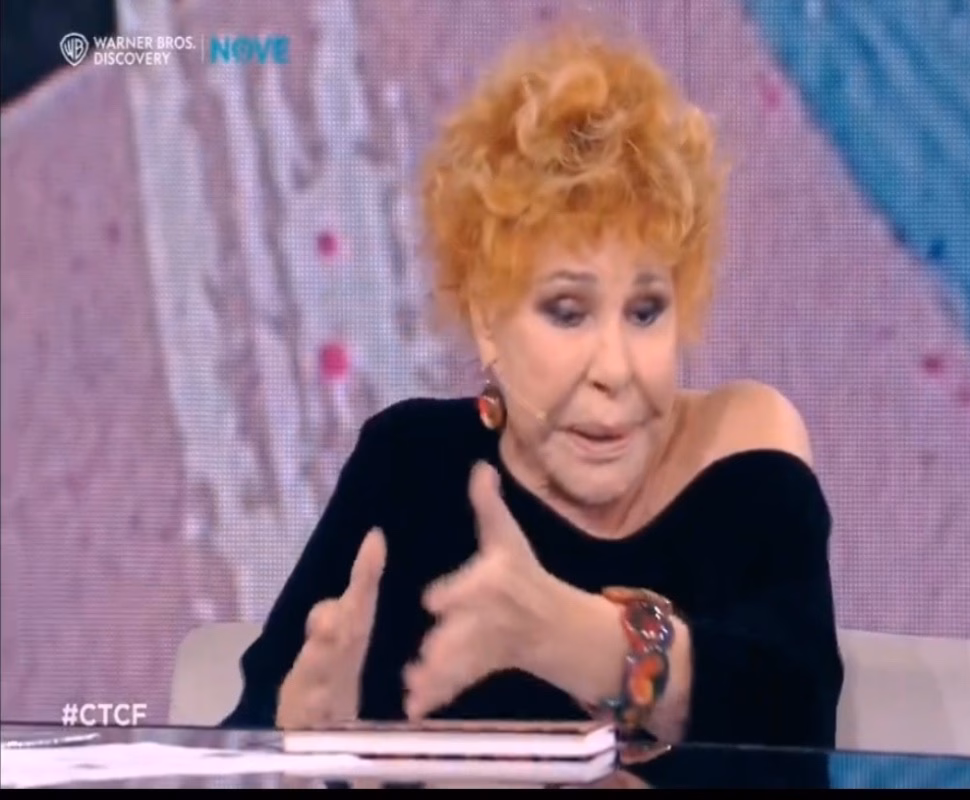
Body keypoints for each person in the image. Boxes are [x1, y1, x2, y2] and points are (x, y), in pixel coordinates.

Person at [222, 27, 844, 749]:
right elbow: (242, 735)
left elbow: (792, 725)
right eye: (568, 312)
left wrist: (558, 631)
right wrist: (294, 739)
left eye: (646, 311)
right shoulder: (408, 464)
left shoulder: (741, 448)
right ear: (489, 321)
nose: (615, 368)